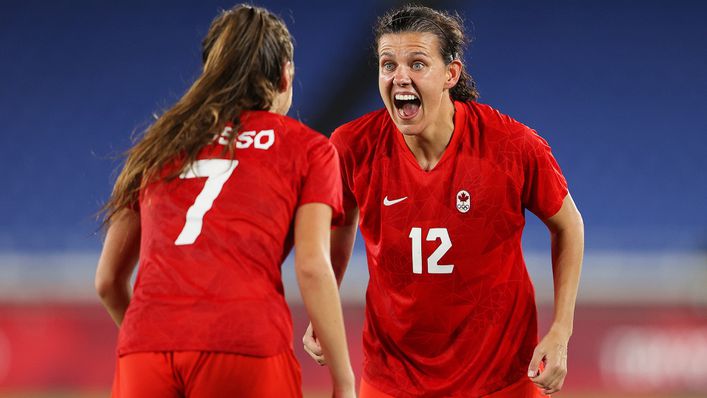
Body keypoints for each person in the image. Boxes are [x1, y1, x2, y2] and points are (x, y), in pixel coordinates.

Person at [303, 5, 584, 398]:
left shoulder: (511, 146)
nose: (400, 76)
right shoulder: (351, 146)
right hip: (392, 379)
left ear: (450, 74)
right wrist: (324, 301)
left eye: (417, 64)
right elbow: (342, 220)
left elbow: (568, 225)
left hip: (500, 379)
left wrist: (561, 331)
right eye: (388, 65)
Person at [95, 5, 355, 398]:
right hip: (243, 342)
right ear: (286, 76)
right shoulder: (308, 149)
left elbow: (108, 282)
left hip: (145, 347)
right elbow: (312, 266)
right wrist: (344, 381)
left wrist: (155, 336)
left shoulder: (159, 145)